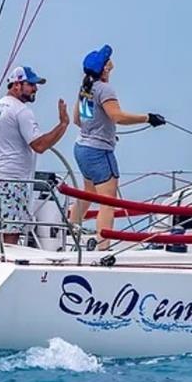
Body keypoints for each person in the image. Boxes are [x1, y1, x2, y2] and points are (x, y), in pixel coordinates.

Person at [68, 44, 166, 250]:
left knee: (87, 192)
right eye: (108, 63)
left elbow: (78, 120)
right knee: (107, 201)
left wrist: (102, 130)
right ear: (104, 68)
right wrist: (148, 118)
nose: (112, 64)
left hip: (81, 148)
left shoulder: (85, 88)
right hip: (98, 152)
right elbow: (117, 116)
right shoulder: (104, 89)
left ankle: (68, 234)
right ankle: (104, 245)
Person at [0, 66, 69, 244]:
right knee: (11, 233)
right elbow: (39, 145)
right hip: (12, 182)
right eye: (31, 84)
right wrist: (63, 124)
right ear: (16, 85)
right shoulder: (21, 111)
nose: (35, 89)